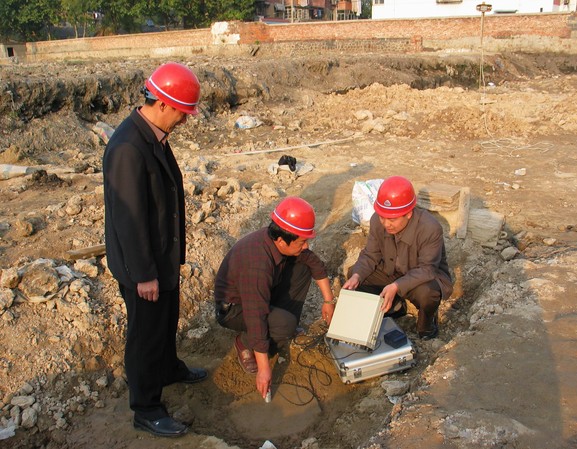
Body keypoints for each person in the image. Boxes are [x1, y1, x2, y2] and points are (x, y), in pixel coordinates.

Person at [103, 62, 207, 438]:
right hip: (143, 267)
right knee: (145, 334)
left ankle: (168, 369)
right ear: (162, 103)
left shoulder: (154, 135)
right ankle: (146, 407)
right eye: (182, 111)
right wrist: (144, 274)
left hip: (162, 257)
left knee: (165, 320)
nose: (185, 119)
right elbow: (128, 220)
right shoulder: (128, 148)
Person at [214, 197, 336, 399]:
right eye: (302, 242)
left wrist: (328, 302)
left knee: (302, 267)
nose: (306, 246)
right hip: (235, 309)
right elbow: (255, 315)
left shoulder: (280, 239)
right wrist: (264, 370)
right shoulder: (257, 264)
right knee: (285, 325)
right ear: (281, 240)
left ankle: (280, 323)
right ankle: (245, 342)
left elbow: (314, 263)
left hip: (260, 296)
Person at [342, 176, 453, 340]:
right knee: (355, 275)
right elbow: (370, 255)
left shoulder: (430, 228)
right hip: (391, 271)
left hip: (420, 277)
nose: (386, 224)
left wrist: (396, 286)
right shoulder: (377, 220)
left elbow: (427, 269)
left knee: (428, 294)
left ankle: (426, 326)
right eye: (382, 217)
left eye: (392, 219)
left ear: (408, 214)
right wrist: (357, 275)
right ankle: (395, 307)